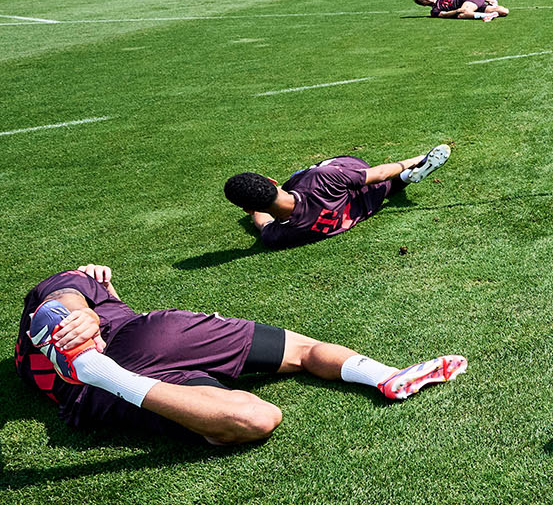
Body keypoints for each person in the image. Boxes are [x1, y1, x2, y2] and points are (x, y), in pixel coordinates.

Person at [16, 264, 466, 445]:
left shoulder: (31, 352)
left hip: (93, 389)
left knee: (256, 418)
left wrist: (89, 321)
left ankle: (105, 373)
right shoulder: (66, 295)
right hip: (151, 336)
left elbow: (60, 303)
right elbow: (65, 298)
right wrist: (88, 313)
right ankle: (385, 375)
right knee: (304, 351)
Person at [224, 146, 450, 249]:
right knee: (305, 175)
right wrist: (418, 157)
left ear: (247, 209)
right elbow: (379, 173)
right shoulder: (318, 178)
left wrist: (255, 209)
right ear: (271, 180)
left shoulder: (276, 237)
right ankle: (409, 172)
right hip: (355, 176)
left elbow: (262, 222)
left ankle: (405, 179)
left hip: (364, 207)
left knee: (381, 187)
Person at [414, 0, 504, 20]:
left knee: (464, 12)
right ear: (423, 4)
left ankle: (488, 15)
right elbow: (444, 14)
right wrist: (457, 11)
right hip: (471, 6)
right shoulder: (435, 10)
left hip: (470, 0)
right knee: (504, 11)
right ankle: (493, 6)